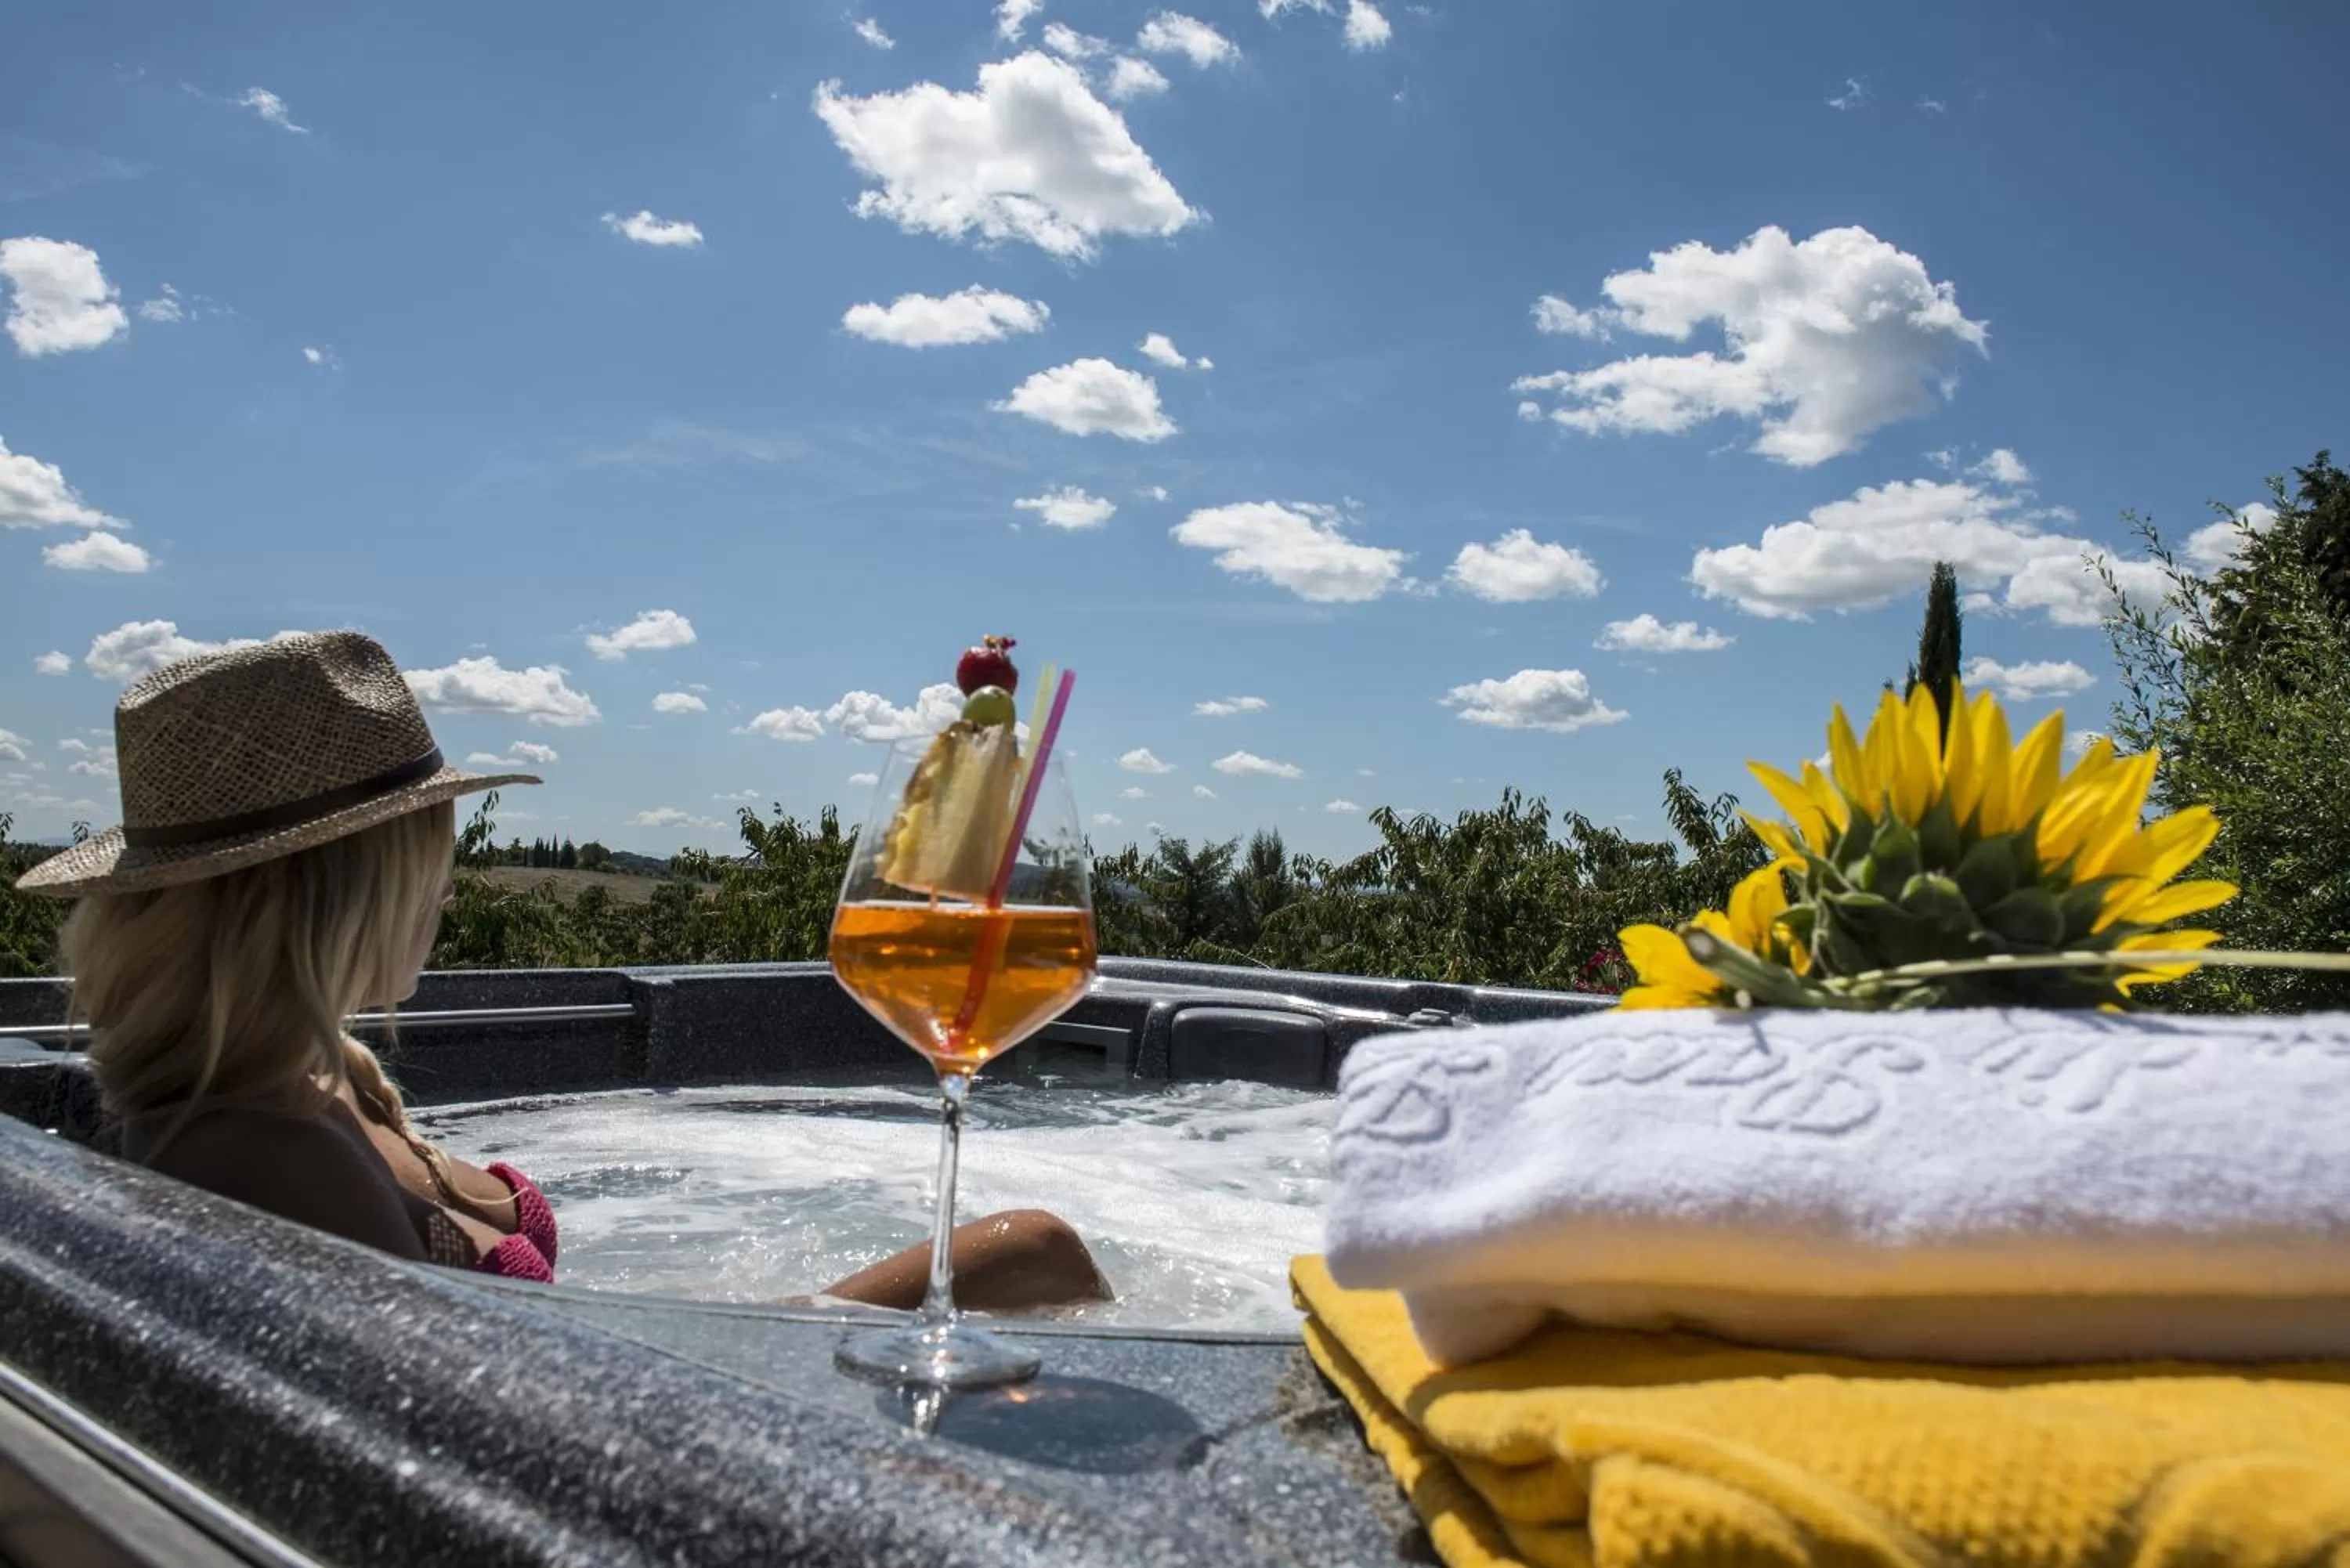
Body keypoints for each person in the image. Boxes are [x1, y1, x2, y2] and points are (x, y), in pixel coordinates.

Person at [17, 630, 1108, 1310]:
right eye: (430, 839)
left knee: (1031, 1251)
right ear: (341, 885)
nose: (447, 882)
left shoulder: (310, 1071)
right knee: (1035, 1251)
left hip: (617, 1373)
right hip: (631, 1418)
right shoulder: (256, 1152)